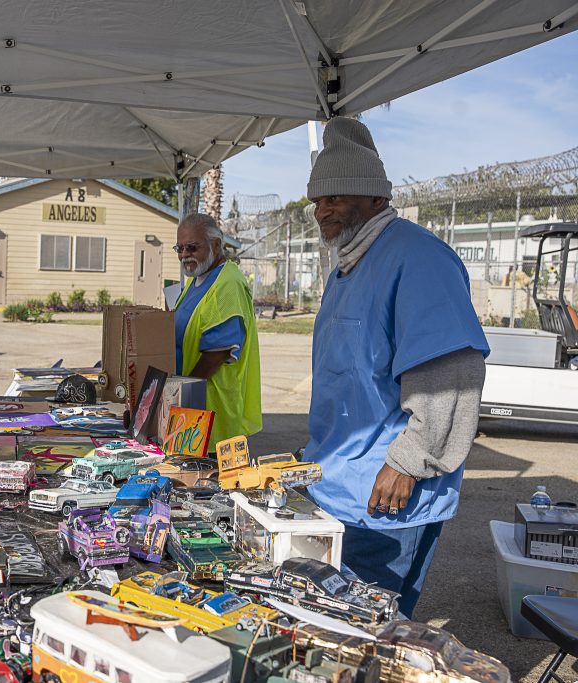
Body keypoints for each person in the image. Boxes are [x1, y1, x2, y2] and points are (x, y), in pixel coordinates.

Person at [303, 117, 489, 618]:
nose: (323, 210)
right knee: (333, 627)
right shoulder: (348, 263)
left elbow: (450, 376)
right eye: (317, 200)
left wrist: (408, 461)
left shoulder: (418, 259)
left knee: (372, 628)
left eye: (336, 197)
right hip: (336, 480)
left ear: (375, 199)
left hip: (387, 495)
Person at [172, 212, 261, 451]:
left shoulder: (228, 283)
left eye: (191, 247)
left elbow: (216, 354)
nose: (184, 255)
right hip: (190, 411)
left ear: (216, 245)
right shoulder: (198, 278)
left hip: (212, 416)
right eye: (179, 248)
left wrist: (179, 393)